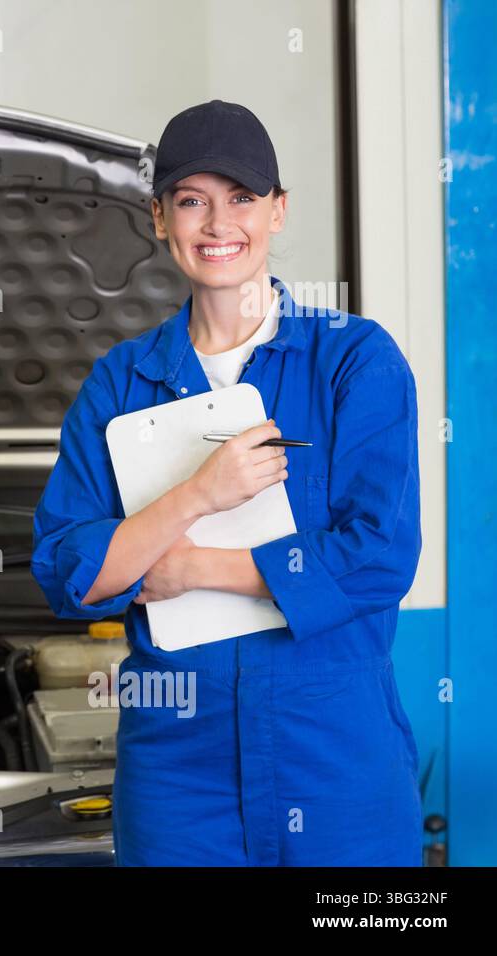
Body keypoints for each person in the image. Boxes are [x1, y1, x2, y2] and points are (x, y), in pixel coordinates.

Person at [31, 100, 423, 866]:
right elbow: (70, 573)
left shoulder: (354, 361)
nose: (218, 224)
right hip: (180, 771)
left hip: (337, 759)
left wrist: (194, 568)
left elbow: (379, 555)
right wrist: (199, 495)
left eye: (242, 198)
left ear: (279, 211)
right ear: (158, 219)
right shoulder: (120, 384)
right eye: (191, 201)